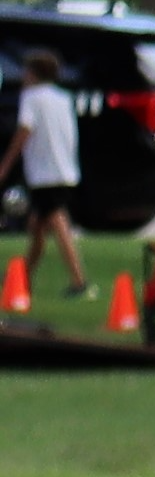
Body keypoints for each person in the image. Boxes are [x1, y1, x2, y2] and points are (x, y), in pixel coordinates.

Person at [11, 51, 79, 303]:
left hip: (44, 172)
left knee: (57, 221)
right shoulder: (63, 98)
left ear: (35, 74)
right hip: (64, 169)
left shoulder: (31, 98)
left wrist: (7, 163)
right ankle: (24, 278)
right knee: (36, 226)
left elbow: (24, 131)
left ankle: (78, 279)